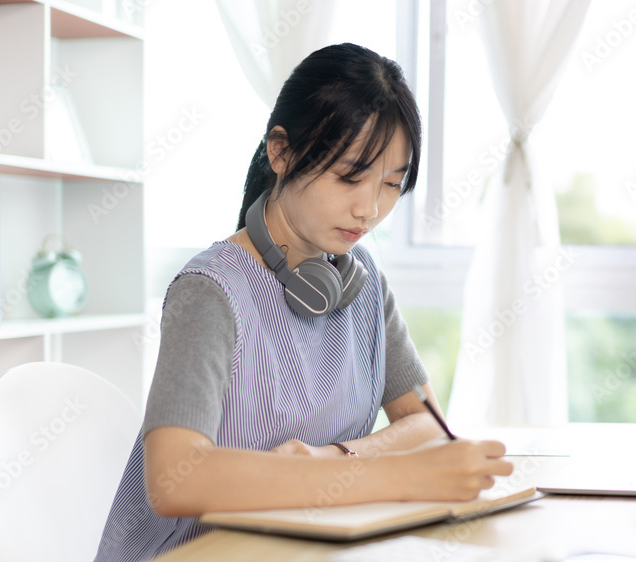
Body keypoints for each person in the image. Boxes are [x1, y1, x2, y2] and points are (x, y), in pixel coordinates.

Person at [94, 43, 512, 561]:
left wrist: (331, 458)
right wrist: (389, 474)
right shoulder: (210, 291)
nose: (369, 209)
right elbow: (174, 478)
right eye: (349, 176)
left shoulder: (362, 286)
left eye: (390, 185)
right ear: (281, 152)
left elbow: (428, 423)